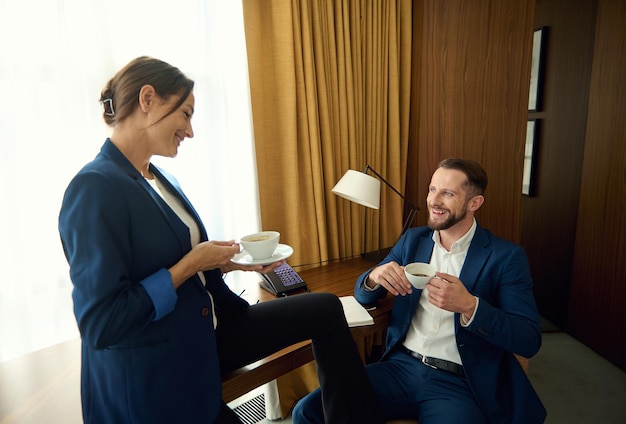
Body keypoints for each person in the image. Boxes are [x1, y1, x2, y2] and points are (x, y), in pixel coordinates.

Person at [58, 56, 383, 424]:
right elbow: (101, 324)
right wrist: (191, 265)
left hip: (206, 329)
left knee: (325, 309)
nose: (191, 131)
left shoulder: (161, 180)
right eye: (186, 114)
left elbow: (174, 260)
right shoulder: (95, 187)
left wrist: (225, 263)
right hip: (157, 362)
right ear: (147, 99)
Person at [293, 158, 547, 424]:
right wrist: (373, 277)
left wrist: (470, 306)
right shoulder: (413, 240)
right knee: (307, 411)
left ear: (474, 203)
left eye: (447, 193)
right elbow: (363, 294)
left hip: (458, 383)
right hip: (400, 369)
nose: (434, 200)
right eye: (432, 189)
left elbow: (528, 339)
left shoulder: (505, 257)